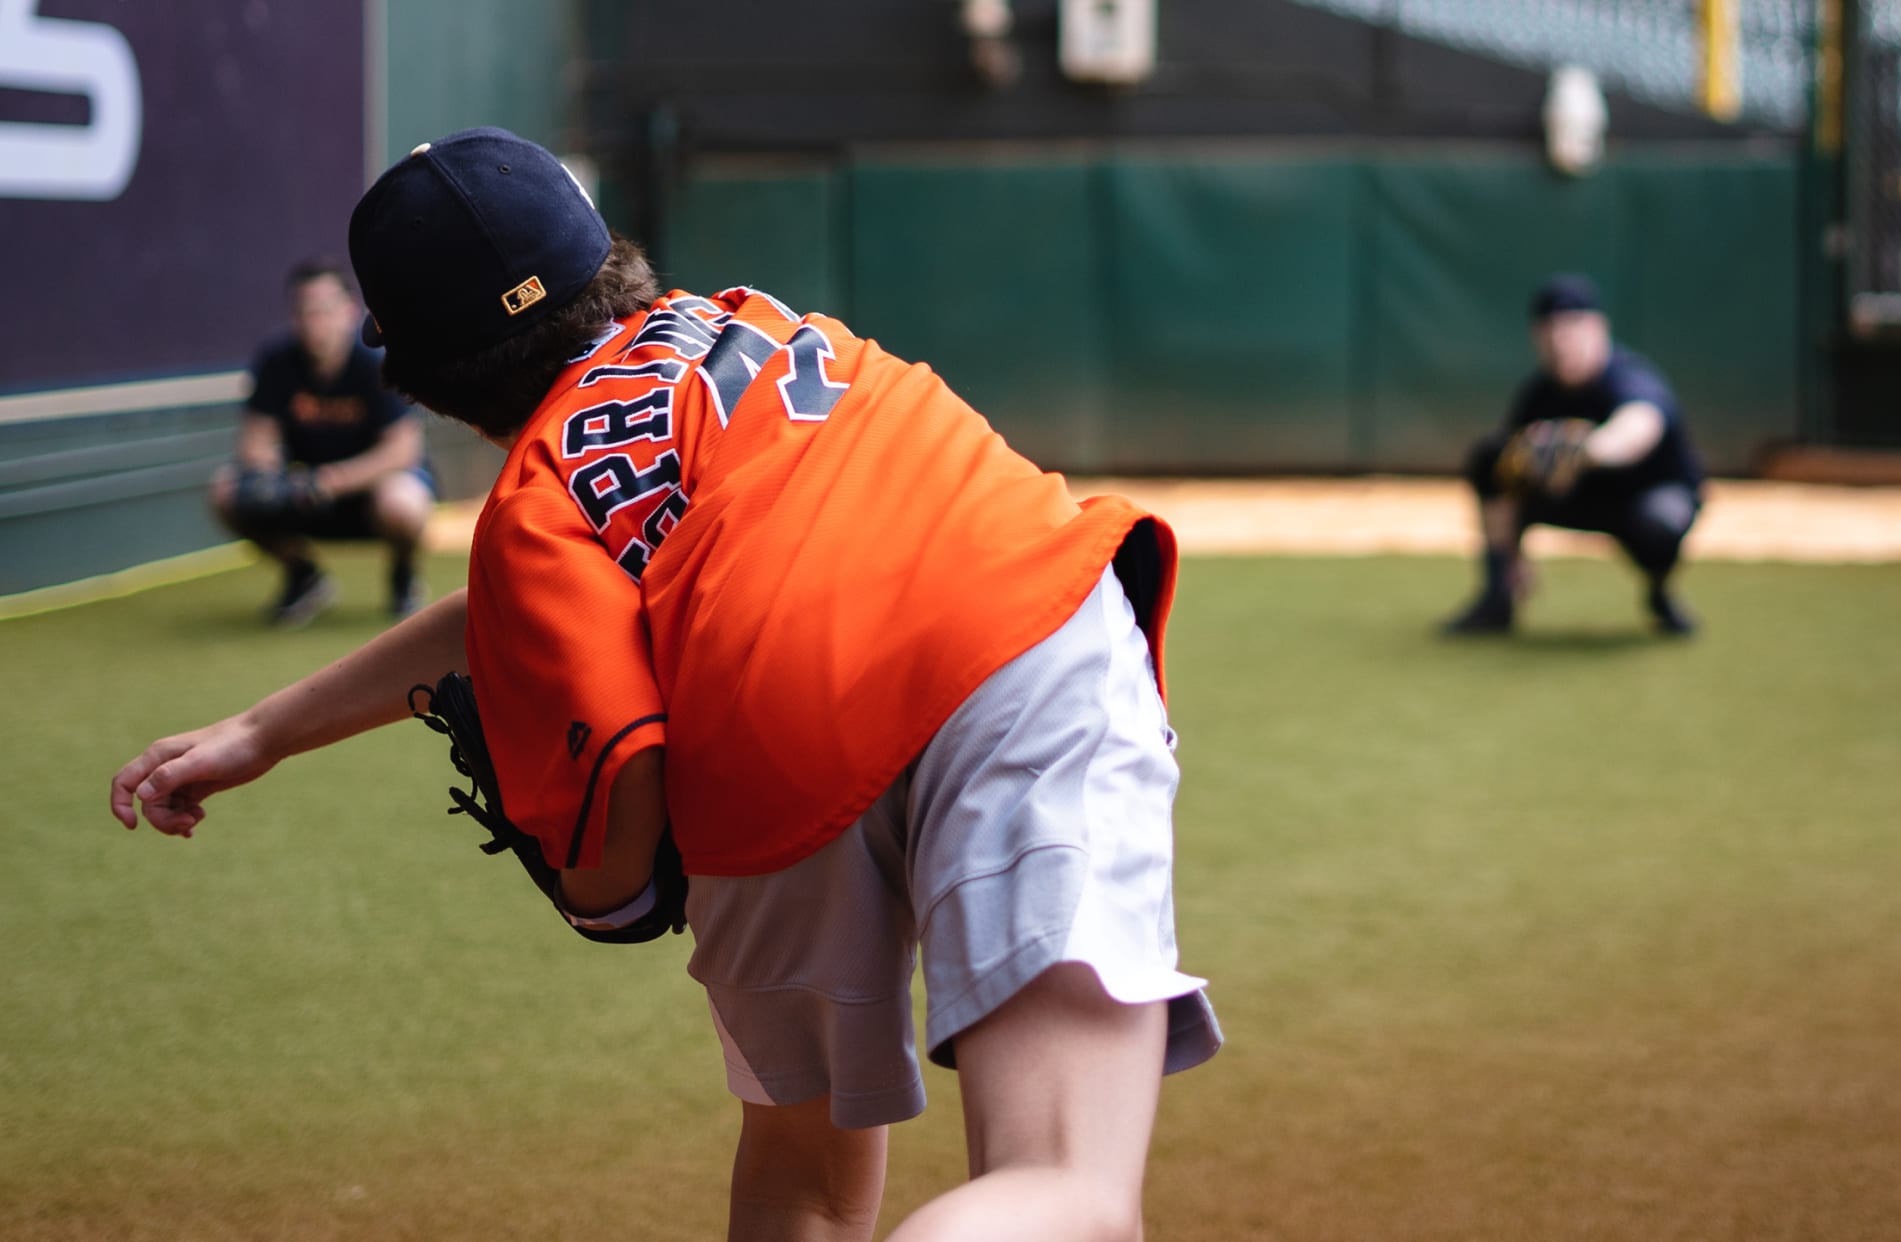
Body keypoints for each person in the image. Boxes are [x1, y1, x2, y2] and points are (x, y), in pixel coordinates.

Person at [111, 128, 1220, 1241]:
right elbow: (534, 623)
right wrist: (265, 728)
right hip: (1012, 632)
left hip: (770, 741)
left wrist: (604, 890)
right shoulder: (758, 314)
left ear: (426, 380)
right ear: (612, 258)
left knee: (807, 1174)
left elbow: (615, 791)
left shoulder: (536, 509)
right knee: (1065, 1182)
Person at [1443, 274, 1706, 637]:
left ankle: (1660, 591)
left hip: (1644, 496)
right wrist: (1515, 554)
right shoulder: (1539, 392)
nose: (1561, 342)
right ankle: (1497, 595)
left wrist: (1585, 449)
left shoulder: (1628, 376)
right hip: (1580, 497)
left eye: (1572, 330)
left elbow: (1638, 428)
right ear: (1537, 337)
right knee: (1491, 461)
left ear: (1598, 328)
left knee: (1658, 524)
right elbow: (1509, 470)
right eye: (1551, 332)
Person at [211, 260, 437, 625]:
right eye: (304, 310)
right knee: (226, 490)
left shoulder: (374, 363)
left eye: (324, 309)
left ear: (349, 310)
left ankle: (403, 574)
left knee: (402, 502)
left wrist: (330, 480)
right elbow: (256, 440)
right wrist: (266, 471)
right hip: (305, 490)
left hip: (368, 492)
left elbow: (402, 451)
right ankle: (304, 577)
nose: (314, 319)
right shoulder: (277, 361)